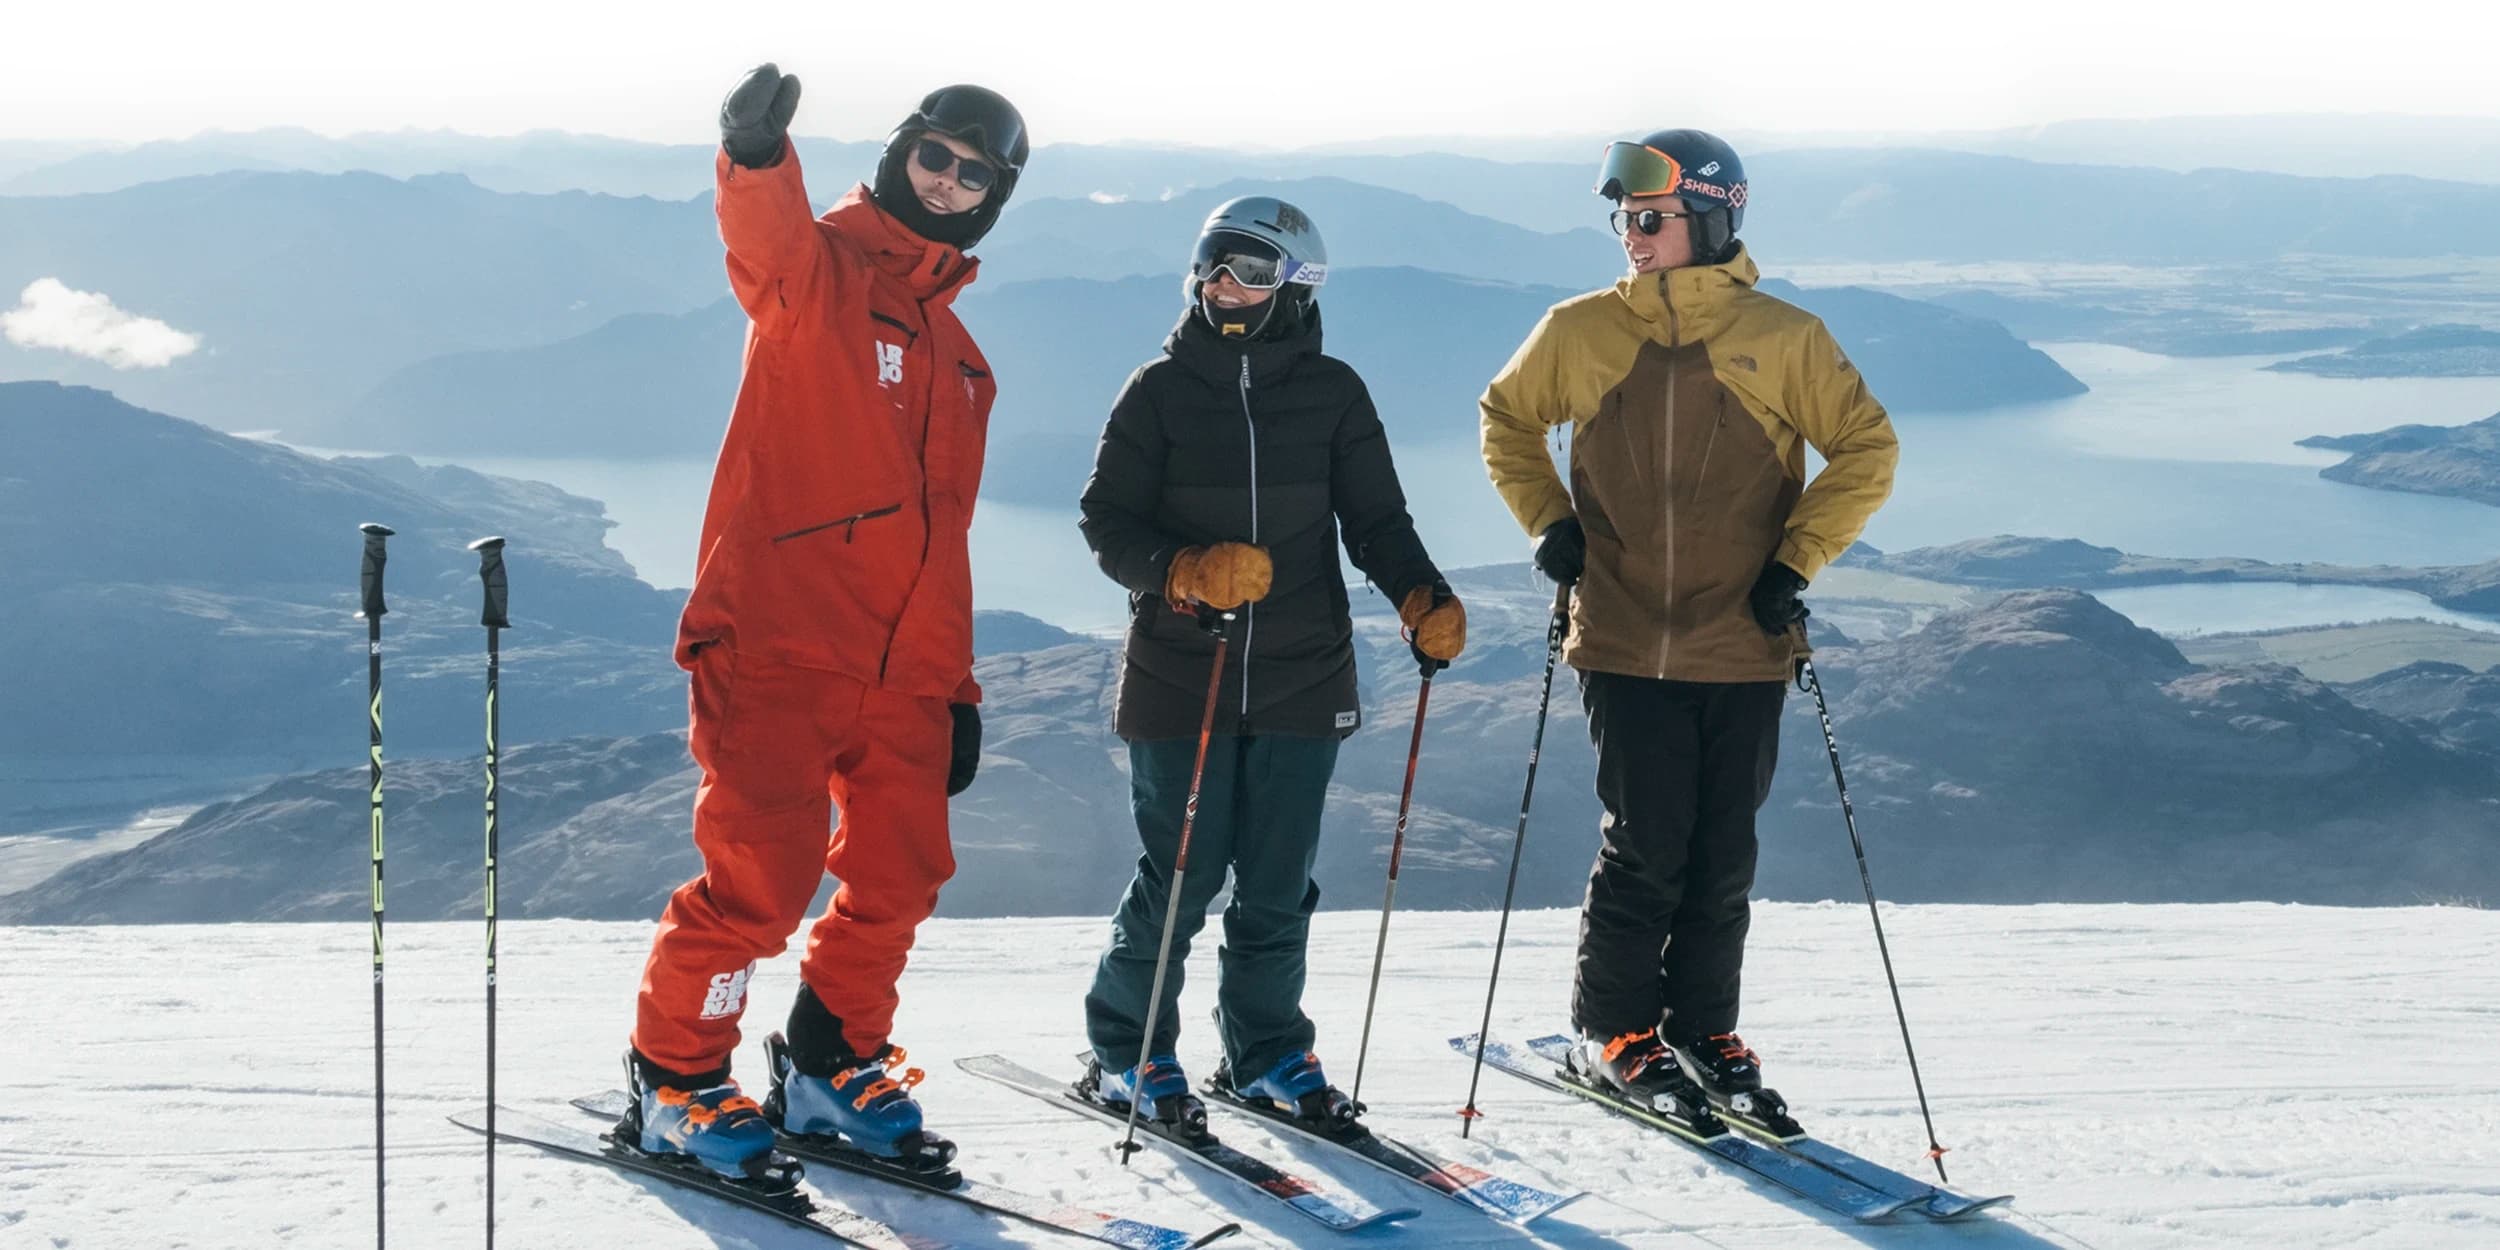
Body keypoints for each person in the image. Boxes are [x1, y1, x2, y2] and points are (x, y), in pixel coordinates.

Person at [617, 63, 1029, 1182]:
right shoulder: (822, 272)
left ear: (993, 195)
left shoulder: (959, 355)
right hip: (781, 639)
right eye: (932, 154)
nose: (944, 181)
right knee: (759, 880)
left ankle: (826, 1061)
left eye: (971, 173)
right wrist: (754, 157)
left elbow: (940, 539)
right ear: (902, 151)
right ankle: (677, 1078)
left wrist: (957, 690)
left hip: (905, 666)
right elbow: (765, 246)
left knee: (900, 875)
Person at [1479, 130, 1898, 1127]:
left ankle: (1703, 1027)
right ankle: (1616, 1027)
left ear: (1711, 219)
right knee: (1647, 841)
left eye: (1653, 219)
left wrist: (1797, 561)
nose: (1634, 235)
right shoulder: (1579, 329)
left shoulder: (1783, 335)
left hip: (1741, 637)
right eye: (1625, 219)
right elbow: (1506, 418)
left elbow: (1865, 449)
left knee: (1723, 851)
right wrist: (1549, 523)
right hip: (1622, 633)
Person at [1074, 196, 1467, 1131]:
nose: (1225, 287)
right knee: (1181, 874)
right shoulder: (1156, 391)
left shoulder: (1333, 392)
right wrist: (1182, 573)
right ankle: (1127, 1053)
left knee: (1278, 880)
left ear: (1295, 285)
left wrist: (1421, 596)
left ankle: (1269, 1053)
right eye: (1214, 267)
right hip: (1181, 671)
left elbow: (1377, 522)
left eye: (1250, 271)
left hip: (1302, 672)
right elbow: (1106, 522)